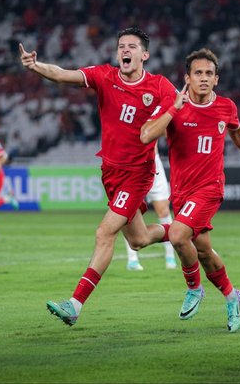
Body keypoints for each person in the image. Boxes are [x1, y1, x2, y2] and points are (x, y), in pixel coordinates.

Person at [19, 27, 177, 326]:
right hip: (111, 172)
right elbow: (63, 74)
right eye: (121, 46)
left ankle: (75, 304)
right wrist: (36, 66)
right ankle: (182, 230)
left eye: (131, 46)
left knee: (104, 233)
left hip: (138, 174)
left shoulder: (160, 87)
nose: (125, 50)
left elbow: (178, 118)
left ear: (145, 55)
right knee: (140, 240)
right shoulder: (105, 76)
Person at [140, 48, 240, 332]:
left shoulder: (226, 107)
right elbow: (148, 135)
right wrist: (171, 107)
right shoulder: (176, 107)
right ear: (187, 78)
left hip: (210, 188)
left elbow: (237, 132)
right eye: (197, 73)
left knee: (176, 235)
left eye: (209, 74)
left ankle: (194, 287)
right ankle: (232, 296)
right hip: (182, 192)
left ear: (216, 79)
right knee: (205, 252)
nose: (203, 78)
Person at [125, 149, 177, 271]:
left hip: (152, 160)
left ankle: (170, 256)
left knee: (163, 210)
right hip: (131, 161)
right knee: (130, 210)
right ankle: (132, 259)